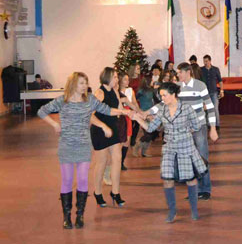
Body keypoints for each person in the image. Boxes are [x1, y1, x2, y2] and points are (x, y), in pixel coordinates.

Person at [38, 72, 129, 229]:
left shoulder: (90, 100)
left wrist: (123, 112)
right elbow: (42, 111)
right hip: (66, 146)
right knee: (67, 181)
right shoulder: (62, 101)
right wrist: (54, 124)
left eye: (86, 83)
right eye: (81, 83)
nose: (85, 86)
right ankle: (67, 217)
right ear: (73, 84)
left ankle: (80, 215)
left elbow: (107, 110)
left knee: (82, 180)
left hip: (84, 146)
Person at [133, 82, 209, 222]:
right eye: (161, 96)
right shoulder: (162, 110)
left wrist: (185, 133)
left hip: (186, 148)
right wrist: (137, 118)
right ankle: (172, 211)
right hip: (169, 148)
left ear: (173, 94)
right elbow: (151, 128)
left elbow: (197, 126)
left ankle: (194, 210)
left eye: (164, 95)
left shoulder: (186, 108)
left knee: (190, 179)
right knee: (167, 180)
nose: (162, 98)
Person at [148, 63, 218, 199]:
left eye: (180, 72)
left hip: (199, 126)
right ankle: (194, 191)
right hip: (184, 129)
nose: (177, 74)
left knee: (202, 157)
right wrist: (148, 112)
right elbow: (164, 103)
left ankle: (205, 189)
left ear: (188, 72)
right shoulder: (178, 87)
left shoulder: (200, 86)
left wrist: (213, 128)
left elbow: (210, 107)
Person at [90, 67, 127, 208]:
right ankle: (98, 192)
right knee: (102, 162)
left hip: (113, 129)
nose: (117, 79)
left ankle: (115, 192)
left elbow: (119, 110)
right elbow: (90, 115)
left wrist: (132, 113)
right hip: (100, 130)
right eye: (115, 77)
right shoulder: (99, 93)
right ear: (107, 77)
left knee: (117, 159)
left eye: (117, 77)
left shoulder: (114, 91)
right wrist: (103, 126)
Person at [201, 54, 224, 131]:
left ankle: (217, 125)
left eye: (206, 61)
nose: (205, 63)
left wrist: (222, 90)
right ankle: (208, 124)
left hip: (214, 92)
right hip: (205, 93)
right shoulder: (201, 70)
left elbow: (220, 81)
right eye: (204, 61)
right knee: (206, 109)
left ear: (210, 61)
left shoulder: (215, 69)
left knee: (215, 109)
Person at [134, 76, 155, 157]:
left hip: (151, 114)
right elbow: (134, 100)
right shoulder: (141, 91)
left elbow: (156, 100)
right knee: (148, 133)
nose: (153, 81)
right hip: (143, 114)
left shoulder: (152, 90)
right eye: (151, 80)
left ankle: (144, 152)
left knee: (150, 134)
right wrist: (138, 110)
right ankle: (137, 146)